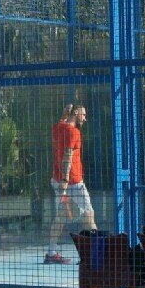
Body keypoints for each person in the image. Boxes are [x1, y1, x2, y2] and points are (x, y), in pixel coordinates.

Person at [44, 104, 97, 264]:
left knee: (60, 218)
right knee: (89, 216)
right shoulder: (74, 132)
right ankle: (95, 256)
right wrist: (66, 180)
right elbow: (68, 155)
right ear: (76, 113)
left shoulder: (57, 128)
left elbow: (62, 121)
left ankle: (51, 253)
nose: (85, 118)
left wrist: (63, 114)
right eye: (83, 114)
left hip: (57, 182)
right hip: (72, 183)